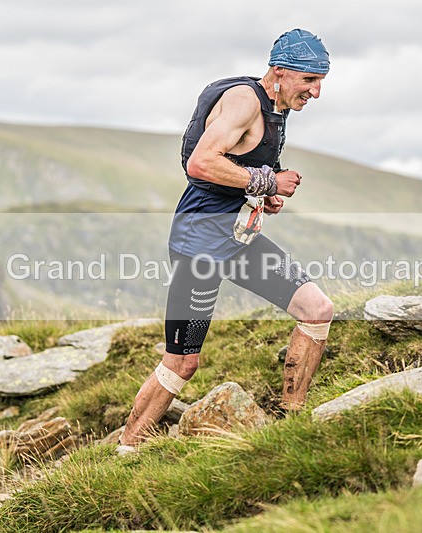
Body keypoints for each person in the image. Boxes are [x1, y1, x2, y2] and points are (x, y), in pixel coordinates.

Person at [118, 29, 333, 451]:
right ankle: (127, 448)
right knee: (182, 362)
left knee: (317, 310)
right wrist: (268, 179)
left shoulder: (275, 105)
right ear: (280, 71)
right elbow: (201, 162)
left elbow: (235, 164)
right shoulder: (244, 101)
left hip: (238, 239)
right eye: (309, 80)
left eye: (321, 80)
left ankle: (292, 423)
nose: (317, 91)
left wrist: (260, 194)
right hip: (199, 243)